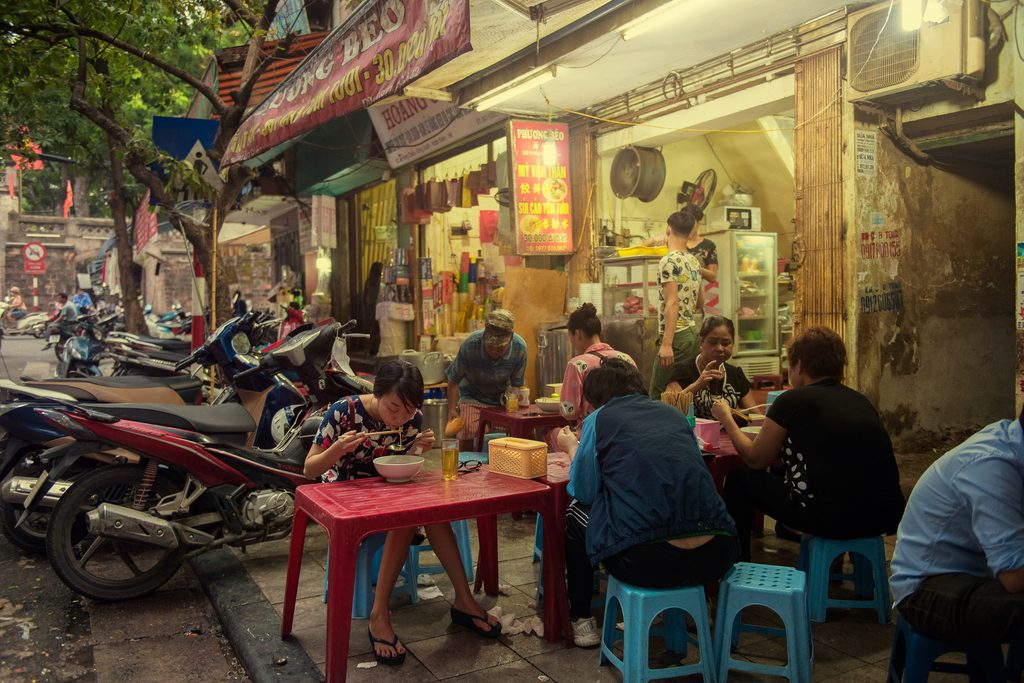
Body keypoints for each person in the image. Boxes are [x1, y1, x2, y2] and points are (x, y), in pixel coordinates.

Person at [303, 361, 501, 665]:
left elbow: (399, 465)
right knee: (405, 516)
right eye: (394, 408)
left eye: (408, 411)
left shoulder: (413, 418)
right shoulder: (344, 412)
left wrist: (418, 448)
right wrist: (337, 450)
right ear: (377, 392)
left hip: (388, 492)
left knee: (431, 512)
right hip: (345, 497)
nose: (400, 417)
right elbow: (310, 468)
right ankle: (379, 615)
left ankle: (463, 600)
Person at [555, 358, 737, 647]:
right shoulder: (673, 414)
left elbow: (585, 491)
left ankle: (581, 618)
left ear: (595, 401)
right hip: (717, 556)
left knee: (575, 513)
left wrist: (572, 447)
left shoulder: (599, 419)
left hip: (647, 562)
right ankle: (694, 606)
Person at [712, 327, 905, 561]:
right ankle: (839, 570)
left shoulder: (792, 400)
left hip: (828, 519)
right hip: (880, 517)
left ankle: (736, 565)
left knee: (740, 479)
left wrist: (726, 418)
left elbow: (755, 459)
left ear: (799, 365)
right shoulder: (859, 400)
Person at [889, 411, 1024, 642]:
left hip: (979, 571)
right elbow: (1015, 577)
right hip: (925, 587)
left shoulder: (1009, 445)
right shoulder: (991, 465)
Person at [445, 309, 527, 451]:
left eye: (500, 348)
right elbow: (453, 380)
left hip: (502, 398)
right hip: (472, 396)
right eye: (490, 346)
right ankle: (465, 464)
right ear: (484, 335)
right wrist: (452, 410)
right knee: (467, 428)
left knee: (513, 430)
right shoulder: (470, 345)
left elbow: (516, 386)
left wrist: (513, 407)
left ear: (511, 338)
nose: (494, 351)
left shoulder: (520, 348)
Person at [649, 210, 704, 399]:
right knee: (683, 393)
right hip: (691, 334)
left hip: (676, 336)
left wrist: (666, 344)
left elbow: (672, 303)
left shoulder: (668, 261)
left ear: (668, 229)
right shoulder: (694, 261)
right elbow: (700, 302)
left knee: (658, 393)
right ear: (690, 233)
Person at [557, 303, 635, 424]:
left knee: (550, 433)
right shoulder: (627, 359)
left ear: (578, 334)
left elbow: (569, 411)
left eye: (570, 337)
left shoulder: (577, 364)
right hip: (627, 429)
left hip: (594, 434)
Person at [666, 316, 757, 420]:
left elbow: (755, 415)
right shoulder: (682, 371)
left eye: (726, 343)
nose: (719, 348)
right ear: (701, 342)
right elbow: (667, 409)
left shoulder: (736, 374)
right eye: (713, 342)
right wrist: (697, 385)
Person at [644, 204, 718, 283]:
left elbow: (713, 277)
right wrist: (655, 239)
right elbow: (642, 247)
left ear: (698, 223)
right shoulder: (671, 240)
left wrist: (694, 267)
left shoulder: (708, 245)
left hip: (693, 288)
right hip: (668, 285)